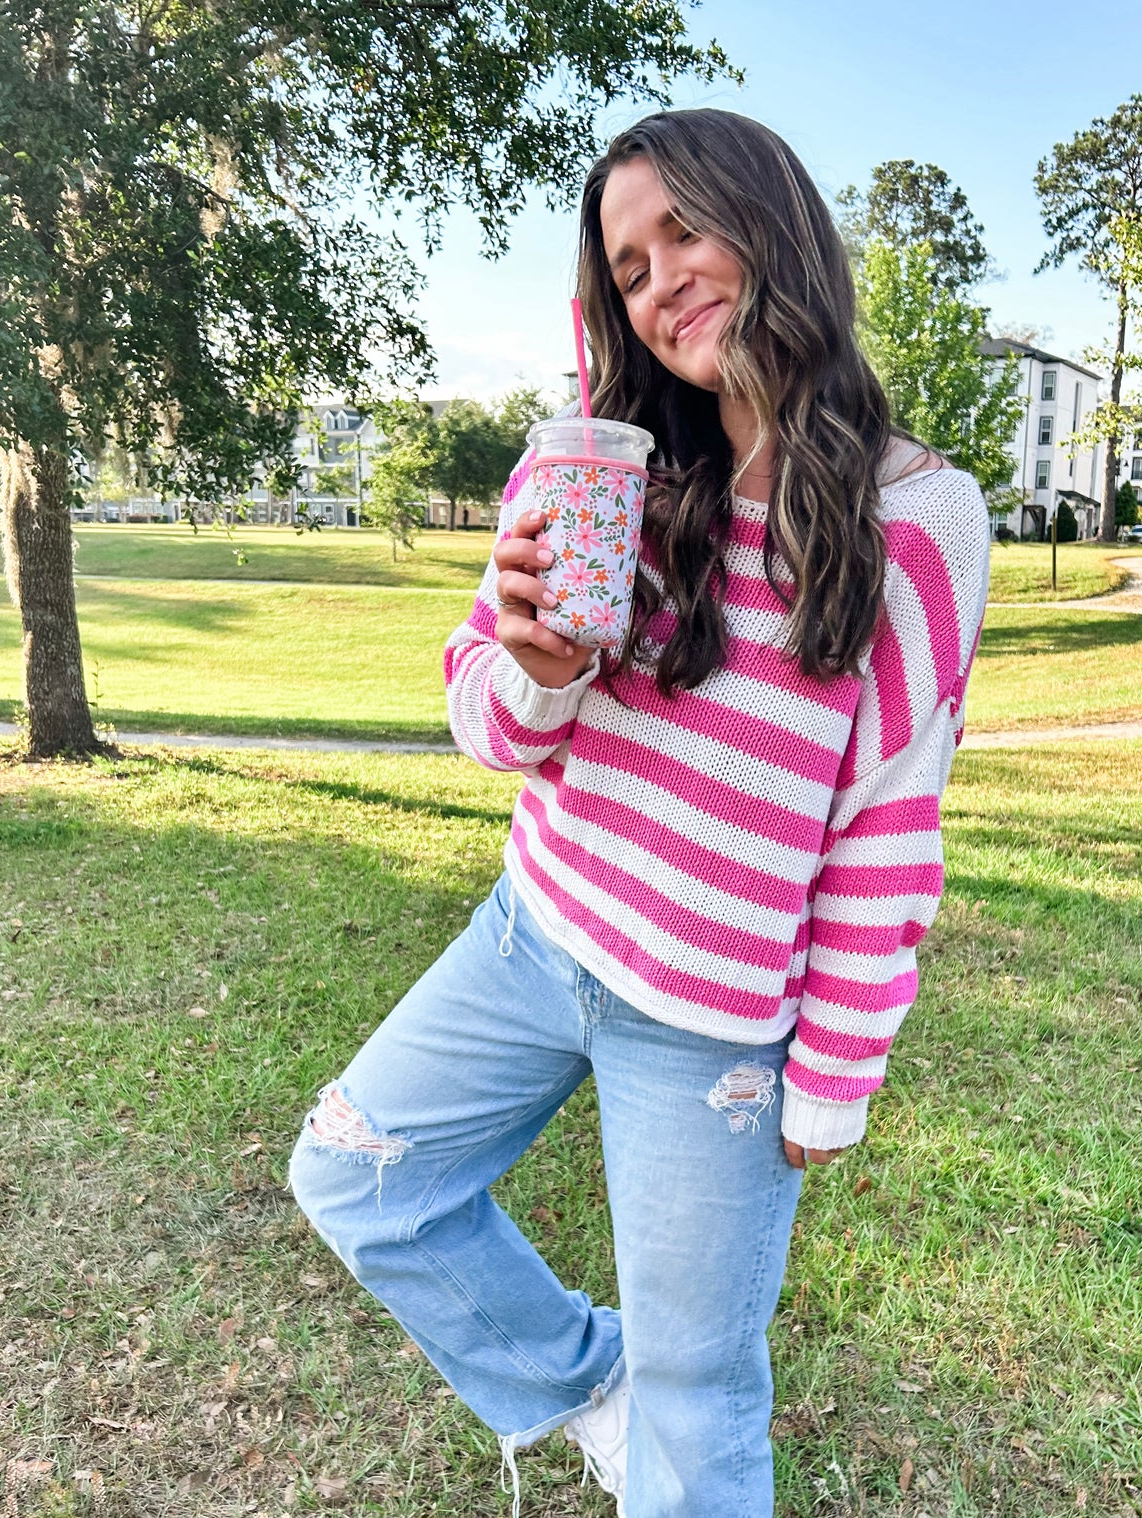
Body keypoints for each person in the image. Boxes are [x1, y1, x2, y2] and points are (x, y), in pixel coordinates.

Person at [288, 108, 990, 1518]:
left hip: (711, 1024)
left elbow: (884, 822)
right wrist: (538, 674)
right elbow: (485, 713)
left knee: (699, 1397)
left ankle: (648, 1410)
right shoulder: (595, 467)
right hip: (531, 935)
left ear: (772, 221)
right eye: (625, 263)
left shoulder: (923, 517)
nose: (659, 277)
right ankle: (575, 1381)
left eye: (684, 230)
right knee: (359, 1176)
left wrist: (835, 1073)